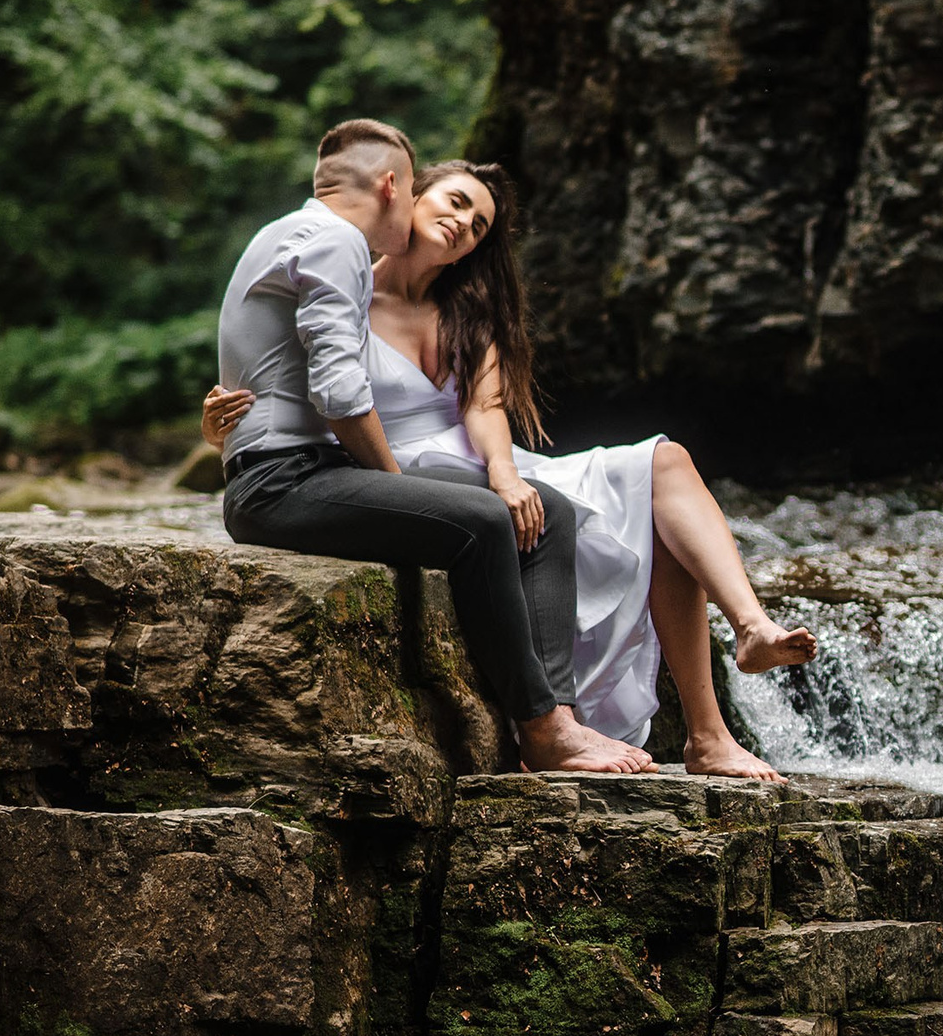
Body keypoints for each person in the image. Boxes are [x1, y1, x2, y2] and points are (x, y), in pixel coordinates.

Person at [203, 156, 816, 781]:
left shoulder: (467, 310)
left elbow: (486, 406)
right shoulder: (345, 273)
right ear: (410, 195)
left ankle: (745, 641)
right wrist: (221, 425)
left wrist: (503, 472)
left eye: (479, 225)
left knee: (658, 465)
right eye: (456, 202)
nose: (465, 223)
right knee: (594, 507)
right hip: (386, 464)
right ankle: (600, 726)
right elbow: (289, 370)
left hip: (473, 458)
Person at [213, 118, 652, 774]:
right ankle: (539, 724)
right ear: (393, 186)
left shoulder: (292, 233)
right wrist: (399, 484)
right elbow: (339, 392)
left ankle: (557, 716)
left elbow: (272, 363)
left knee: (548, 510)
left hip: (302, 469)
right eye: (421, 188)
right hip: (280, 483)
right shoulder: (336, 243)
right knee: (480, 521)